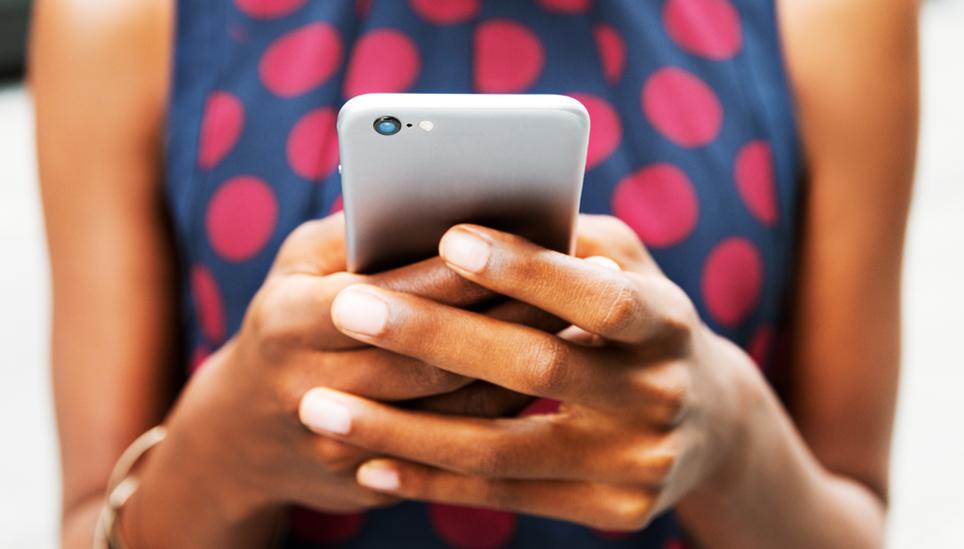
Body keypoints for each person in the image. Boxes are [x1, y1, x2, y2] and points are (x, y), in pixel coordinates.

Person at [30, 0, 919, 547]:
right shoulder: (125, 18)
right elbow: (88, 522)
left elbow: (854, 510)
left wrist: (730, 439)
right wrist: (222, 457)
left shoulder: (829, 15)